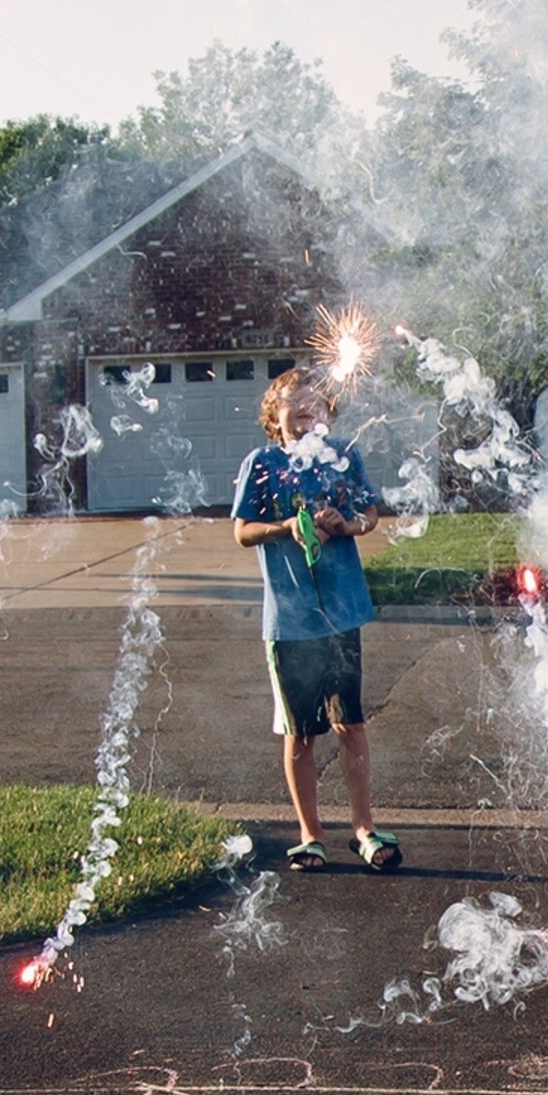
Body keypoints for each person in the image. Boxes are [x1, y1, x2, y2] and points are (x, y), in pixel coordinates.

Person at [232, 369, 399, 873]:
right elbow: (242, 530)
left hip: (343, 613)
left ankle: (364, 828)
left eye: (316, 403)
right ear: (272, 415)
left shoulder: (342, 456)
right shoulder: (262, 464)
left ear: (328, 413)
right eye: (293, 403)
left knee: (350, 723)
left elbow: (370, 514)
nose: (306, 409)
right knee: (300, 733)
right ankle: (311, 833)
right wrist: (285, 527)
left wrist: (347, 525)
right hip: (290, 622)